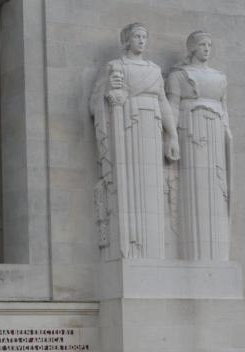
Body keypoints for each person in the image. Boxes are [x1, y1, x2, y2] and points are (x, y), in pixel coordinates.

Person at [90, 23, 179, 260]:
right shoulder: (114, 67)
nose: (141, 40)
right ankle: (132, 245)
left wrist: (172, 135)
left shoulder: (154, 70)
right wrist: (112, 96)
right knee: (129, 184)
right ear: (127, 41)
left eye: (144, 37)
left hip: (152, 128)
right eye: (137, 36)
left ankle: (152, 249)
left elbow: (164, 103)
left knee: (152, 188)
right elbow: (95, 102)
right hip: (127, 129)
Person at [166, 30, 232, 261]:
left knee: (216, 187)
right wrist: (171, 137)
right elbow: (172, 106)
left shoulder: (219, 77)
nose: (207, 48)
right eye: (202, 44)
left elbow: (225, 112)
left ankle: (216, 252)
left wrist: (227, 135)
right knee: (195, 185)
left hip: (215, 133)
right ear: (192, 47)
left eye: (210, 44)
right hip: (191, 129)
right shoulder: (180, 75)